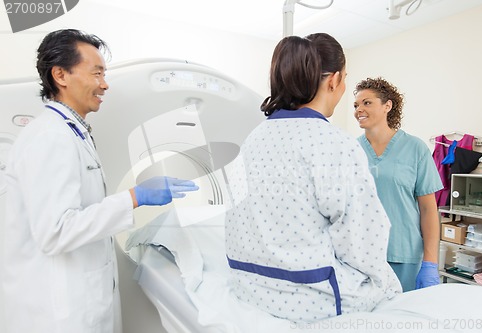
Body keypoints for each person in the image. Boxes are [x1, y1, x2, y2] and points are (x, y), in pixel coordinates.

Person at [1, 29, 198, 333]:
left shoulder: (71, 132)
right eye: (96, 73)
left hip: (77, 299)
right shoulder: (50, 137)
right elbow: (56, 231)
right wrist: (133, 197)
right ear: (61, 75)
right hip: (57, 312)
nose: (105, 84)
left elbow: (79, 211)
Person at [225, 33, 401, 324]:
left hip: (249, 286)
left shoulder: (253, 139)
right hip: (309, 297)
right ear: (333, 80)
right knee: (387, 284)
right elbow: (365, 238)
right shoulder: (334, 144)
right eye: (345, 78)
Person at [353, 77, 443, 292]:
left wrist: (430, 263)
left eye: (367, 103)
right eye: (356, 105)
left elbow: (429, 209)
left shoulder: (415, 148)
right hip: (360, 256)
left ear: (387, 106)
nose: (359, 110)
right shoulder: (351, 150)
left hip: (405, 255)